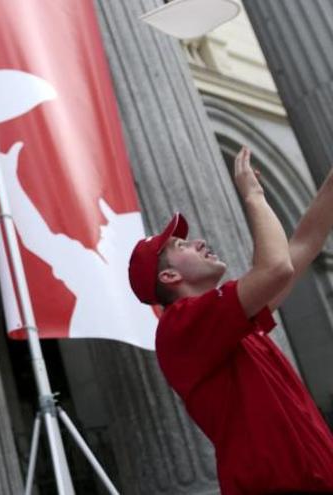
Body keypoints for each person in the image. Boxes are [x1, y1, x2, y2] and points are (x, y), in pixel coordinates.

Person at [128, 147, 333, 494]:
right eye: (181, 245)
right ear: (169, 278)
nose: (199, 242)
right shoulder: (180, 327)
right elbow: (276, 267)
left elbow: (304, 243)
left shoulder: (227, 324)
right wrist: (252, 196)